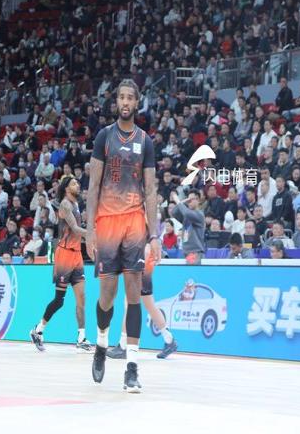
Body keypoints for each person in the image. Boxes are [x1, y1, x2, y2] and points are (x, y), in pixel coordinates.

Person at [85, 79, 160, 392]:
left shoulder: (146, 141)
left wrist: (154, 235)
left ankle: (132, 367)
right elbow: (93, 186)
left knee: (133, 295)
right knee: (107, 295)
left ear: (137, 102)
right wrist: (90, 229)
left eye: (131, 97)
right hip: (106, 222)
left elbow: (151, 190)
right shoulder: (104, 136)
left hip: (134, 223)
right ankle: (101, 344)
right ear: (116, 102)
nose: (126, 102)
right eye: (121, 97)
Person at [30, 177, 93, 352]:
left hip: (77, 255)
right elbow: (75, 229)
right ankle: (38, 330)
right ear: (66, 188)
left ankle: (81, 337)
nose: (77, 185)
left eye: (77, 183)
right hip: (64, 255)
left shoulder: (76, 204)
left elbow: (79, 233)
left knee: (81, 298)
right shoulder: (65, 204)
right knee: (59, 301)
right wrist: (94, 234)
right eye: (73, 183)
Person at [107, 243, 178, 360]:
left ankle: (123, 346)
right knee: (149, 305)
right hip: (145, 263)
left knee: (129, 304)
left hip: (139, 263)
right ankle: (169, 340)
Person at [171, 190, 205, 264]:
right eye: (188, 200)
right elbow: (174, 212)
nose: (189, 202)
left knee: (193, 271)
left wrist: (178, 201)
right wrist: (184, 201)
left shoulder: (199, 214)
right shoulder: (186, 215)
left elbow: (186, 213)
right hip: (186, 251)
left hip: (195, 252)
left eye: (191, 200)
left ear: (198, 200)